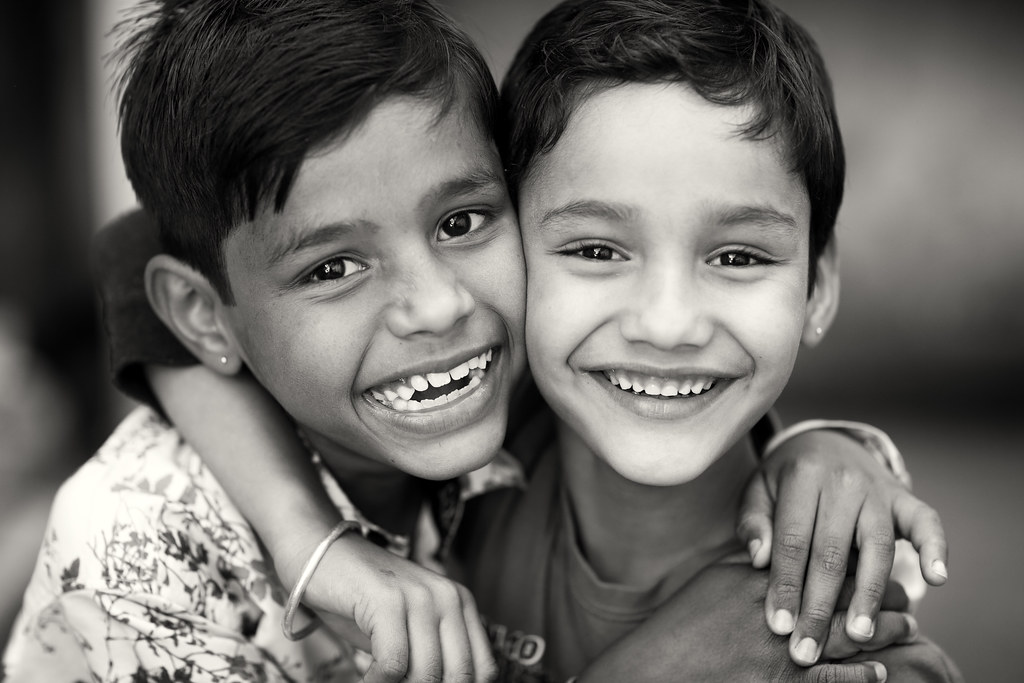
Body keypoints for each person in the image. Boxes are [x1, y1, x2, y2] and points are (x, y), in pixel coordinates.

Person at [2, 1, 945, 682]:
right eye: (335, 267)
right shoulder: (141, 556)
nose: (437, 308)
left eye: (461, 223)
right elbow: (142, 252)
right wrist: (310, 540)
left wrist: (822, 450)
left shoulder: (519, 385)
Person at [454, 0, 964, 680]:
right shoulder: (457, 464)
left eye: (737, 257)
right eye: (597, 250)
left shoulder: (845, 657)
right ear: (511, 259)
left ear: (816, 286)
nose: (668, 324)